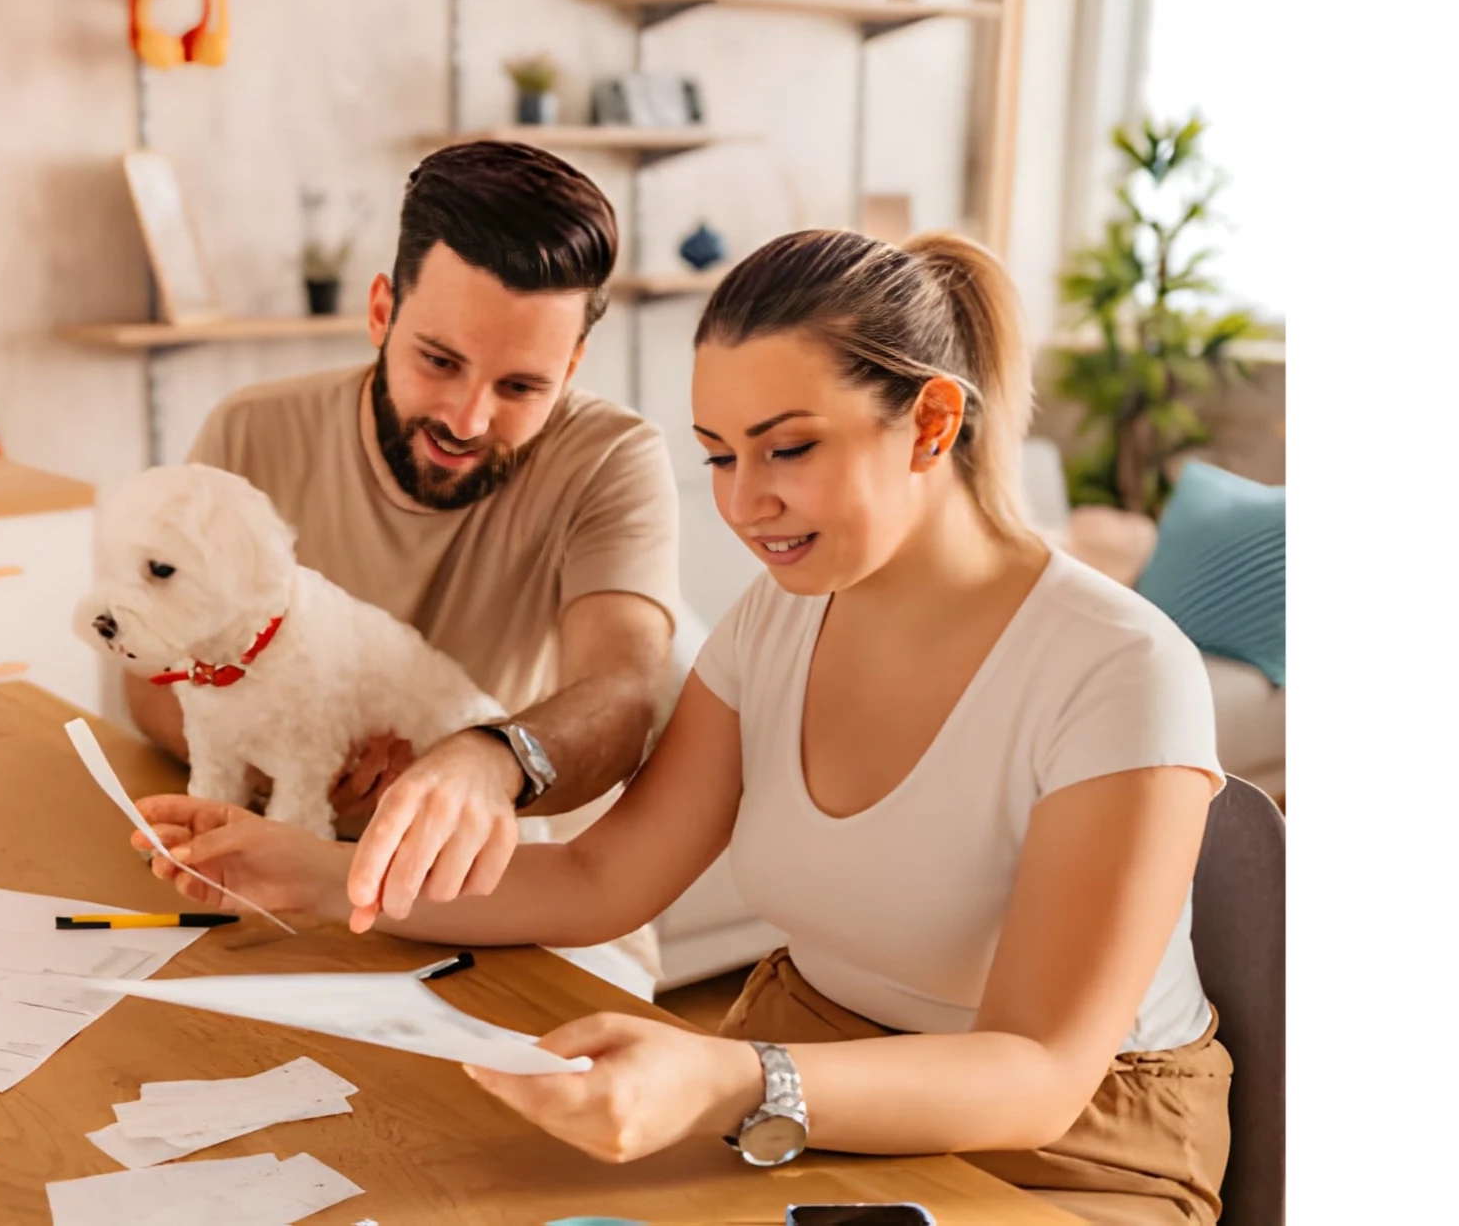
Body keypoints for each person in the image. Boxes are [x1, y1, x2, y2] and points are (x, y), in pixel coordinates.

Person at [128, 227, 1233, 1226]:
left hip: (1068, 1149)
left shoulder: (1117, 670)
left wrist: (730, 1078)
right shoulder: (774, 620)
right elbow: (604, 878)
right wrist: (319, 873)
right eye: (718, 453)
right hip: (805, 1062)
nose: (743, 504)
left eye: (786, 448)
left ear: (930, 423)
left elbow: (1037, 1073)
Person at [124, 140, 683, 990]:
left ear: (570, 369)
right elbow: (151, 671)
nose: (467, 417)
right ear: (381, 311)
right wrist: (287, 748)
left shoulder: (613, 459)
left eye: (522, 388)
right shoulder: (249, 434)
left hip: (512, 911)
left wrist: (488, 759)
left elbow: (624, 692)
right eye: (440, 361)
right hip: (273, 884)